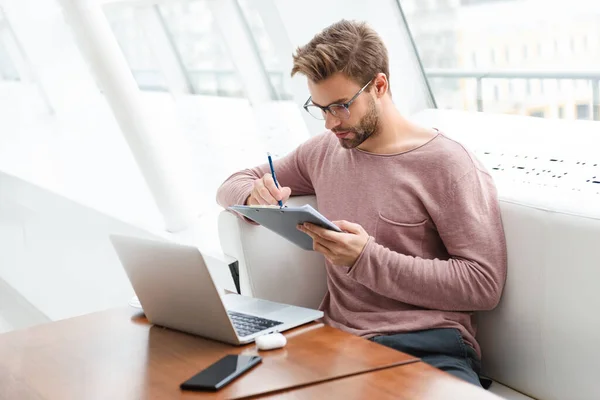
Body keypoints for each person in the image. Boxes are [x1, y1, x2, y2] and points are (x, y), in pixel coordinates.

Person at [216, 19, 507, 387]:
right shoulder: (325, 151)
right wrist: (253, 193)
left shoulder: (448, 165)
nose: (329, 123)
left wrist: (364, 258)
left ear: (379, 86)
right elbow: (231, 183)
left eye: (340, 106)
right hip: (339, 343)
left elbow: (483, 284)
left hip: (428, 345)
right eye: (320, 108)